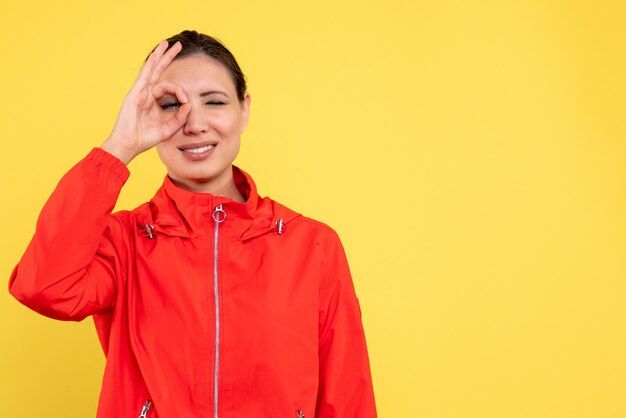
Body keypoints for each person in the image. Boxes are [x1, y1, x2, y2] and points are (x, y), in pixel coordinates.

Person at [9, 30, 376, 418]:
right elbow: (43, 287)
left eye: (214, 102)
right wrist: (119, 146)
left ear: (244, 109)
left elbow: (347, 397)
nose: (194, 124)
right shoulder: (124, 242)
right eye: (171, 105)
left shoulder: (313, 245)